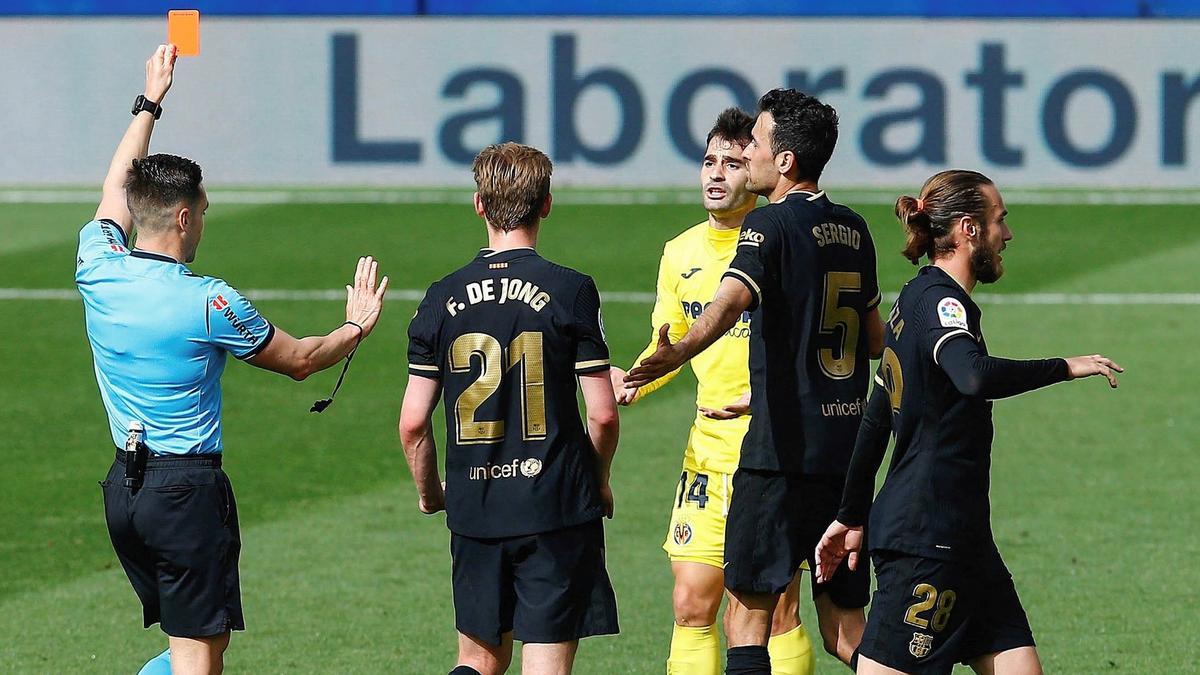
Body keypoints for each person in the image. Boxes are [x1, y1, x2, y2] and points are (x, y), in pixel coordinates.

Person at [78, 44, 389, 675]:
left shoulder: (96, 261)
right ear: (185, 217)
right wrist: (356, 326)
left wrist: (151, 100)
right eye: (203, 217)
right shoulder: (209, 301)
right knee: (199, 656)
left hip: (125, 493)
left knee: (192, 646)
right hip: (185, 492)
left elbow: (116, 184)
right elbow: (302, 360)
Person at [814, 170, 1124, 675]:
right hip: (928, 539)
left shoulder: (910, 300)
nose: (1008, 234)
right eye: (1000, 220)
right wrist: (1065, 366)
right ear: (968, 229)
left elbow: (876, 420)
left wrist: (850, 514)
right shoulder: (942, 303)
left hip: (965, 540)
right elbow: (972, 375)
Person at [626, 88, 885, 675]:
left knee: (748, 615)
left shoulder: (768, 225)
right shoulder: (854, 228)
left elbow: (727, 304)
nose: (750, 156)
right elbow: (873, 341)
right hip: (844, 454)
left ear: (785, 161)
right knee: (846, 630)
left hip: (777, 454)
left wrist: (678, 352)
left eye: (758, 146)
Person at [399, 142, 620, 675]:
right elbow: (604, 414)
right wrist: (599, 478)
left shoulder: (440, 296)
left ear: (479, 205)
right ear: (546, 203)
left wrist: (431, 494)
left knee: (476, 659)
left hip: (475, 507)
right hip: (555, 505)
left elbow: (412, 423)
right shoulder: (571, 289)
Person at [609, 108, 814, 675]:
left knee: (773, 610)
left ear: (757, 169)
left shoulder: (781, 243)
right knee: (691, 600)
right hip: (708, 448)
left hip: (773, 447)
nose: (716, 174)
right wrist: (634, 380)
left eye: (731, 161)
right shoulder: (680, 252)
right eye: (708, 161)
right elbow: (672, 344)